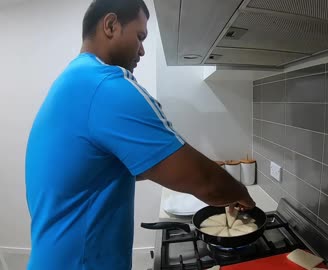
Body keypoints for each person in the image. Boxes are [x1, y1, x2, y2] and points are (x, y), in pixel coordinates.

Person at [25, 0, 255, 269]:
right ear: (110, 25)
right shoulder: (107, 86)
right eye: (140, 36)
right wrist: (242, 193)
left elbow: (101, 170)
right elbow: (206, 183)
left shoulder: (73, 82)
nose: (142, 50)